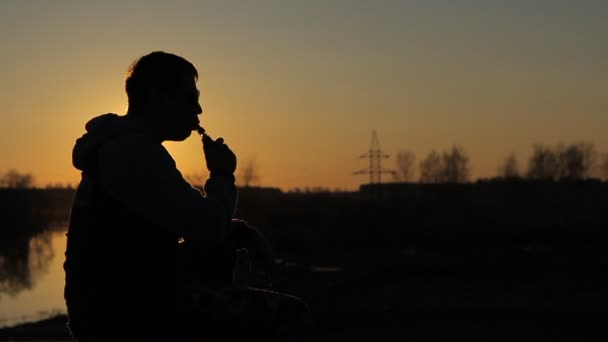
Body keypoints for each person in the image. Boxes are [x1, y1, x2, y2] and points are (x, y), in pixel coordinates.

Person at [63, 51, 311, 341]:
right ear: (158, 98)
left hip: (116, 301)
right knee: (290, 314)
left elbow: (191, 225)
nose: (199, 110)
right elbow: (210, 228)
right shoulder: (133, 154)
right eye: (189, 98)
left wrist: (239, 232)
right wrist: (221, 175)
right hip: (124, 314)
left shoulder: (127, 147)